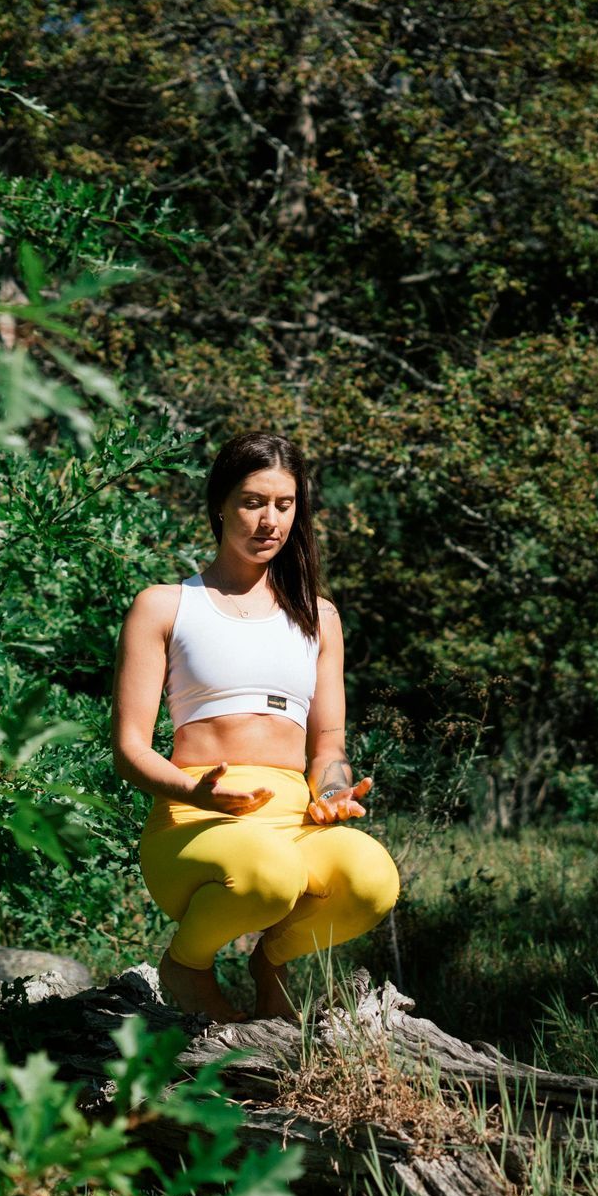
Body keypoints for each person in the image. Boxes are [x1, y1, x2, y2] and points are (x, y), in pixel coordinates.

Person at [111, 431, 401, 1022]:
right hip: (195, 818)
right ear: (219, 503)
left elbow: (327, 745)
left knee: (374, 878)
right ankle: (187, 964)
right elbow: (128, 750)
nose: (269, 520)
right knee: (269, 874)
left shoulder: (319, 617)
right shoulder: (164, 606)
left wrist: (330, 794)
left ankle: (273, 959)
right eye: (253, 501)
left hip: (290, 816)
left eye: (284, 505)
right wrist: (192, 790)